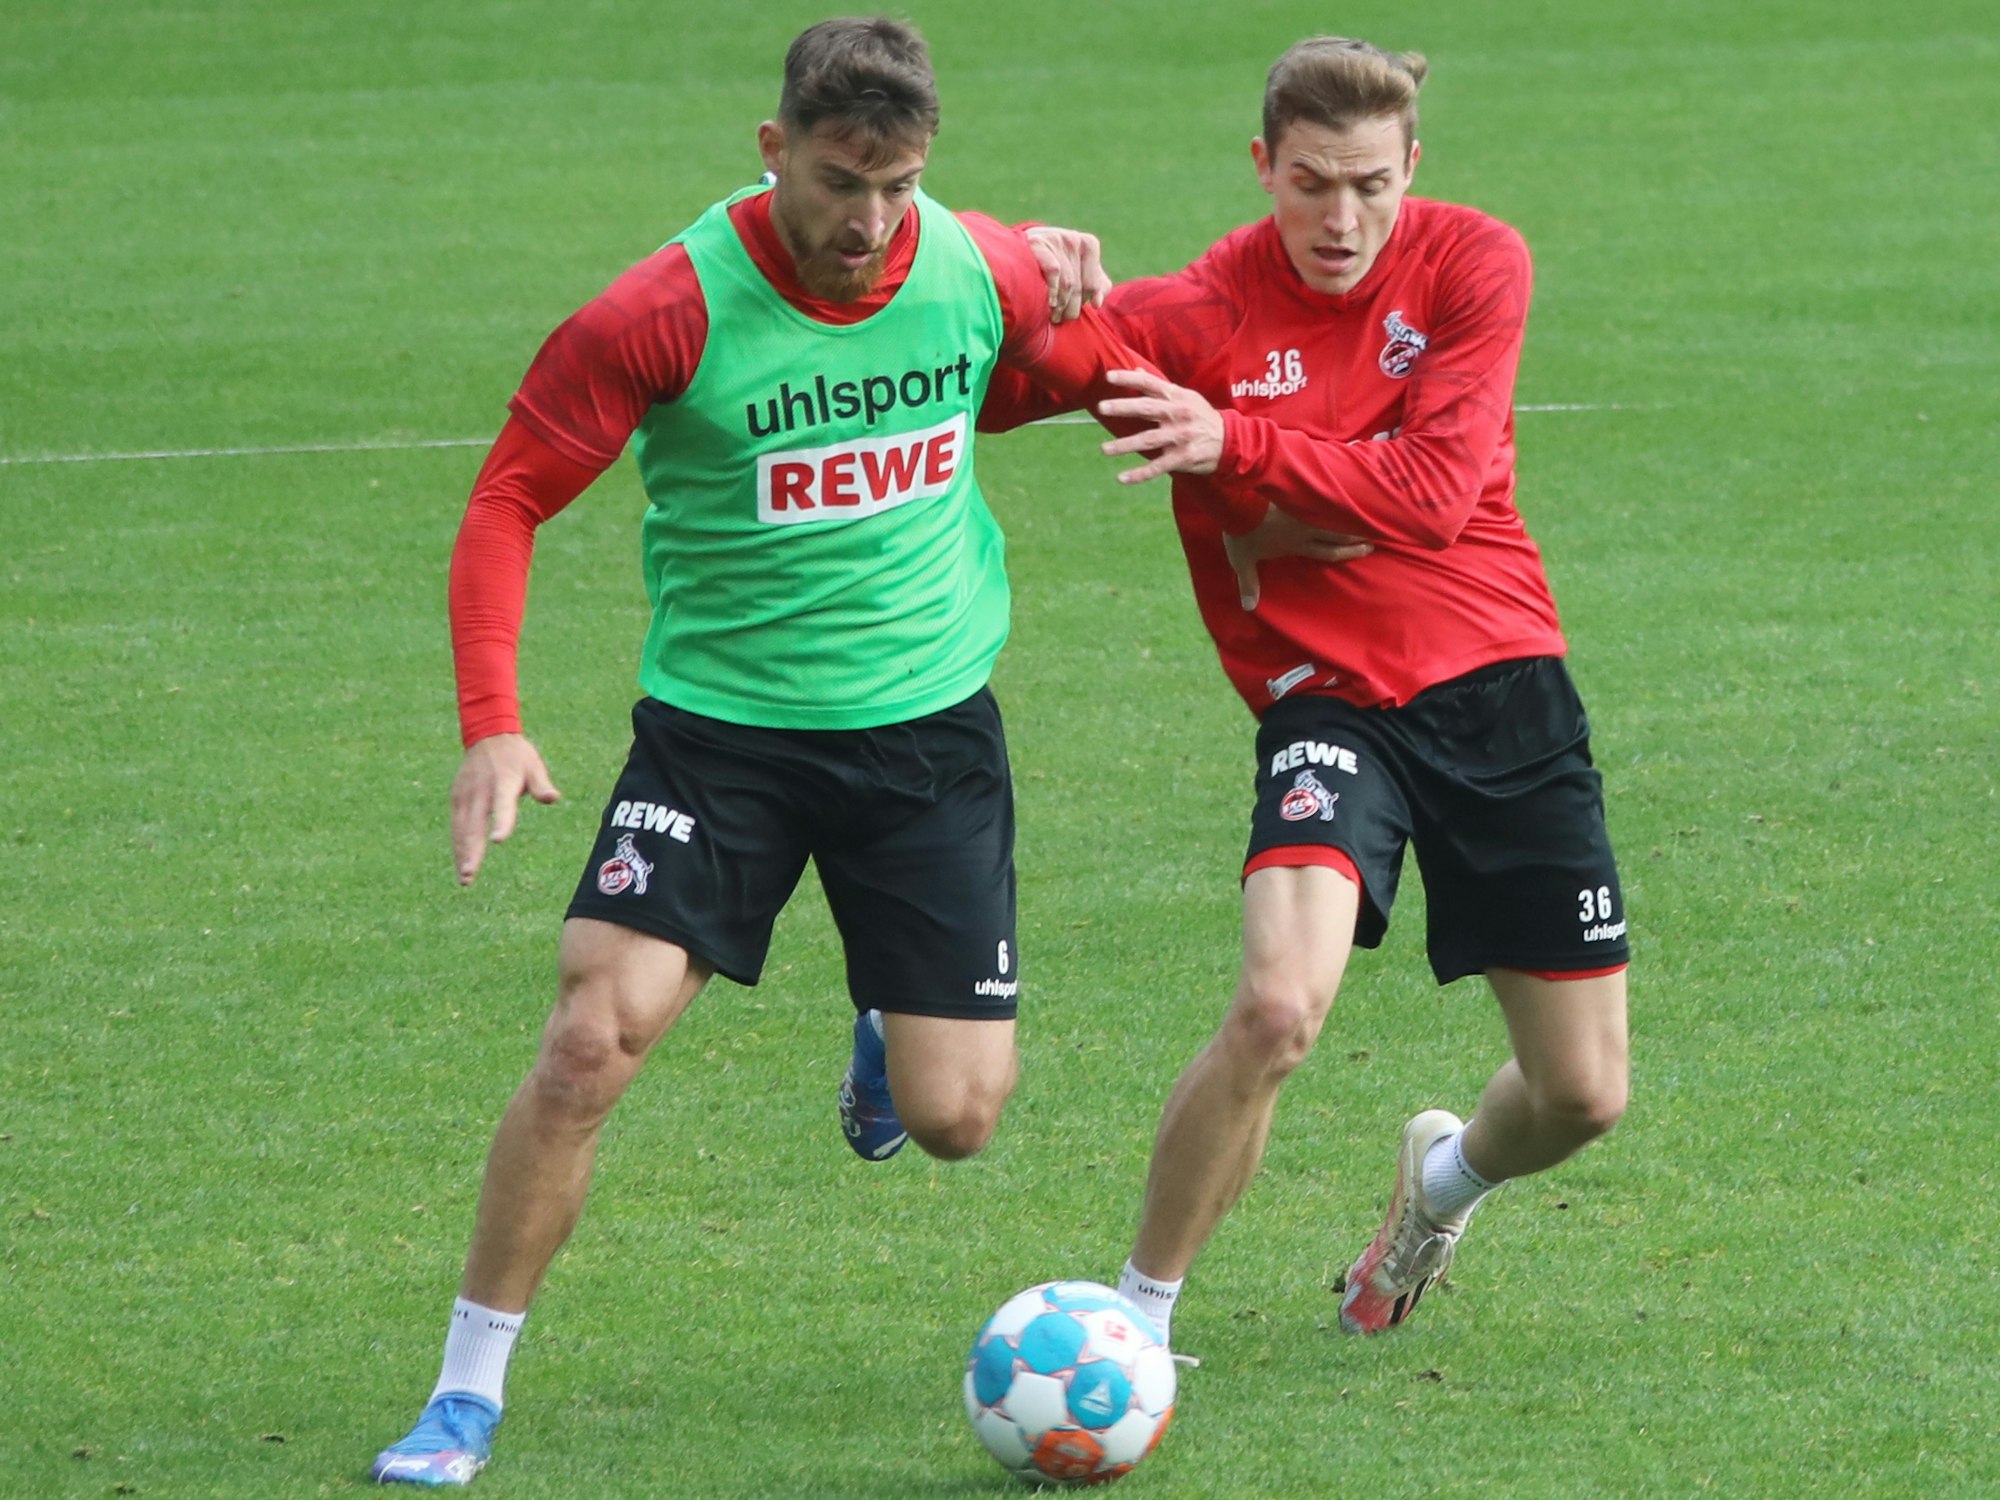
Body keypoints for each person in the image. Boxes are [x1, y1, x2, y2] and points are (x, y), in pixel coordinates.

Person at [369, 17, 1147, 1486]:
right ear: (773, 148)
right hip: (720, 745)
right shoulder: (660, 312)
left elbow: (1036, 376)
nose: (869, 222)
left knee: (958, 1120)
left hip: (924, 737)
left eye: (899, 186)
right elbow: (507, 500)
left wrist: (1115, 333)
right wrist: (493, 724)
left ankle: (888, 1029)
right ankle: (466, 1393)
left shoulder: (975, 263)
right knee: (587, 1046)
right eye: (840, 182)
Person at [983, 36, 1630, 1348]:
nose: (1343, 219)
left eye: (1372, 185)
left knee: (1581, 1095)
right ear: (1264, 166)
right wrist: (1027, 272)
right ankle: (1136, 1327)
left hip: (1500, 683)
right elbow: (995, 387)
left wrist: (1233, 441)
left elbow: (1436, 495)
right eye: (1313, 183)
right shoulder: (1190, 319)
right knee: (1278, 1007)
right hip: (1326, 702)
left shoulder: (1472, 261)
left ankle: (1438, 1189)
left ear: (1412, 168)